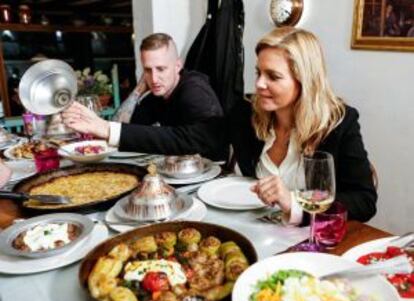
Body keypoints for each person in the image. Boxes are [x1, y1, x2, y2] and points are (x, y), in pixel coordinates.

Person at [230, 27, 377, 224]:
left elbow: (364, 201)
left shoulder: (339, 123)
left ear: (304, 80)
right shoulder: (245, 111)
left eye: (273, 76)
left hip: (312, 239)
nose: (259, 84)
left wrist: (294, 204)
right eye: (259, 72)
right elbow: (204, 136)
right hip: (257, 229)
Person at [62, 33, 226, 161]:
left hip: (212, 175)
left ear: (178, 66)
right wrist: (138, 90)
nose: (154, 79)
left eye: (161, 69)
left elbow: (203, 139)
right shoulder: (157, 95)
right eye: (148, 70)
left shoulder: (194, 90)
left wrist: (107, 128)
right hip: (173, 170)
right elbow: (126, 126)